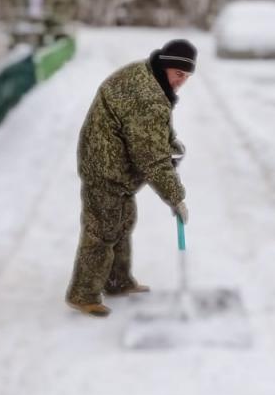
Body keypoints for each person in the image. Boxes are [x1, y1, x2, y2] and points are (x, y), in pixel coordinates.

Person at [64, 39, 195, 317]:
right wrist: (176, 197)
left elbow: (151, 131)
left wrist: (170, 143)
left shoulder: (148, 76)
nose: (181, 81)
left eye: (186, 76)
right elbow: (151, 158)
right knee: (103, 229)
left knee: (122, 221)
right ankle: (83, 293)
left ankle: (116, 281)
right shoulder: (148, 96)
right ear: (166, 66)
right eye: (179, 74)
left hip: (114, 161)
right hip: (106, 166)